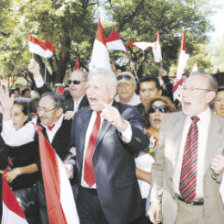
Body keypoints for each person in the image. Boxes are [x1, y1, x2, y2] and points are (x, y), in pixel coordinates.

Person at [71, 68, 149, 224]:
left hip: (116, 200)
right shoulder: (80, 116)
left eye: (96, 88)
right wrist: (69, 163)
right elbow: (73, 150)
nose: (90, 92)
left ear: (112, 92)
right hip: (84, 198)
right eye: (89, 87)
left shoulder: (128, 113)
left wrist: (121, 124)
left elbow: (142, 141)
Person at [149, 71, 224, 224]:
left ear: (209, 97)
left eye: (193, 89)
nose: (185, 94)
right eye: (184, 89)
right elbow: (159, 165)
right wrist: (155, 200)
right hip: (174, 211)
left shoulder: (221, 128)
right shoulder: (170, 121)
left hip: (209, 214)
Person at [0, 89, 75, 224]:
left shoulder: (72, 123)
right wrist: (6, 112)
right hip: (43, 187)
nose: (40, 113)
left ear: (59, 111)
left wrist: (71, 164)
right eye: (39, 109)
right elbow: (12, 139)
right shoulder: (35, 125)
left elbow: (77, 150)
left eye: (45, 110)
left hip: (68, 188)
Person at [135, 96, 176, 218]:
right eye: (152, 110)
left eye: (163, 109)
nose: (156, 113)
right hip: (141, 199)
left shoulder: (179, 138)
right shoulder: (138, 137)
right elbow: (123, 164)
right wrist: (147, 176)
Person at [0, 100, 40, 224]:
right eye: (10, 114)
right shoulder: (4, 134)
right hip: (5, 194)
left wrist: (19, 171)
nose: (12, 119)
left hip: (25, 193)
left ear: (26, 117)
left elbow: (40, 165)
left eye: (16, 114)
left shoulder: (34, 135)